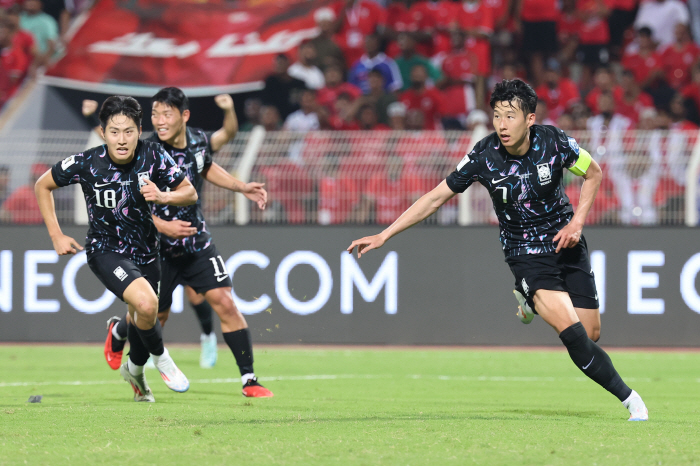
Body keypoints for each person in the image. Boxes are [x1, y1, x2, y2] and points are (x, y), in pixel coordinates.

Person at [347, 79, 649, 421]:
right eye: (497, 116)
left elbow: (593, 174)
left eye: (510, 116)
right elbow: (435, 197)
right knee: (574, 334)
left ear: (530, 119)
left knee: (591, 332)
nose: (502, 125)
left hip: (566, 241)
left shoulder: (555, 142)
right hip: (524, 252)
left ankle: (526, 300)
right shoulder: (483, 155)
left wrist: (577, 222)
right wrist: (385, 235)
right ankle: (631, 400)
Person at [103, 88, 273, 398]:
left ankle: (249, 379)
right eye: (155, 114)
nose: (159, 120)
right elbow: (126, 203)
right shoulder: (146, 150)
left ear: (184, 116)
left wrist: (241, 187)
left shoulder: (197, 141)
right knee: (154, 316)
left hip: (196, 242)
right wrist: (162, 225)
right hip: (156, 249)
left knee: (225, 302)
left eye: (166, 114)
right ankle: (119, 332)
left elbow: (205, 166)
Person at [35, 96, 197, 402]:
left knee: (143, 315)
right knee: (149, 305)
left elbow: (188, 192)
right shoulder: (87, 163)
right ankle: (162, 359)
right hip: (105, 250)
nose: (121, 140)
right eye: (114, 132)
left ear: (139, 130)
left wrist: (164, 197)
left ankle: (134, 371)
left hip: (147, 252)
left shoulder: (154, 156)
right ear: (102, 132)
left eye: (128, 132)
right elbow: (43, 185)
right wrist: (56, 235)